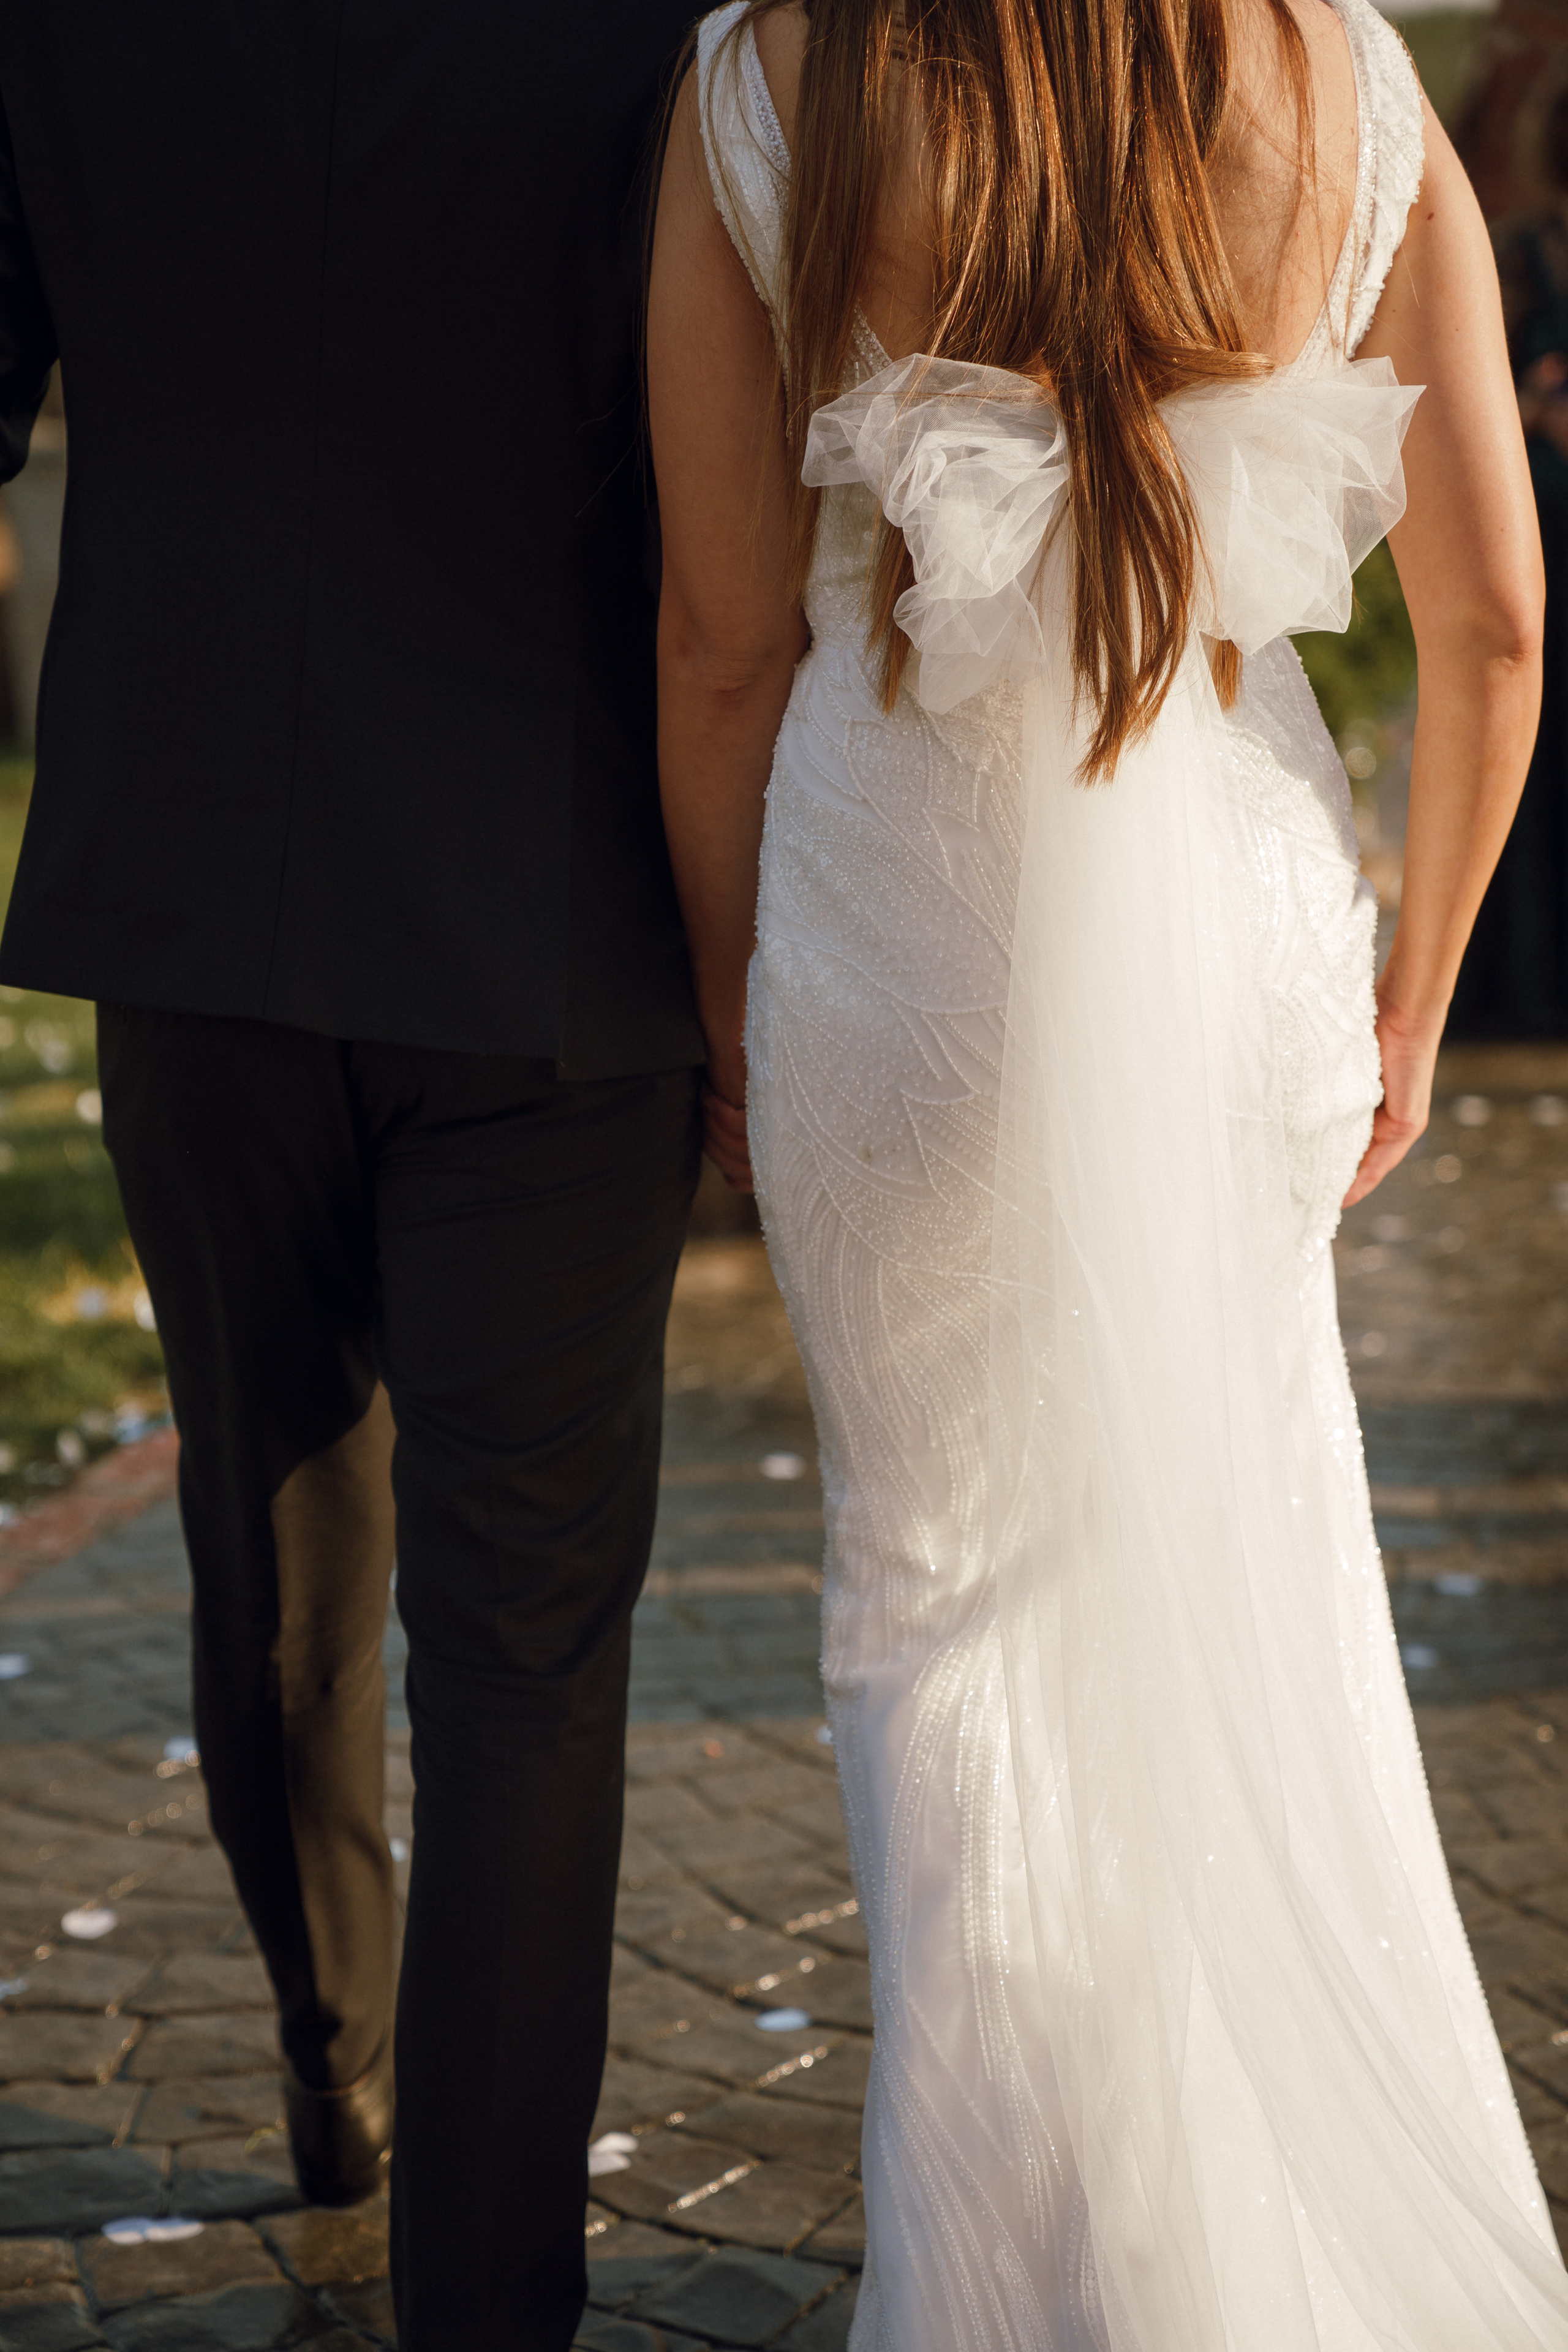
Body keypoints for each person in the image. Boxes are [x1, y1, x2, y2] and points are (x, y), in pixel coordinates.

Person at [650, 0, 1568, 2340]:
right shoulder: (1349, 80)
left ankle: (1010, 2271)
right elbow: (1496, 623)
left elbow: (728, 639)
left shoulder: (773, 77)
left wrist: (739, 998)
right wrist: (1421, 997)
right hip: (1239, 922)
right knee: (1231, 1530)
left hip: (894, 934)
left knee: (935, 1607)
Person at [0, 7, 703, 2345]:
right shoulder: (662, 30)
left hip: (188, 892)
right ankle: (484, 2300)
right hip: (555, 901)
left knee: (272, 1557)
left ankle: (346, 2084)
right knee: (524, 1648)